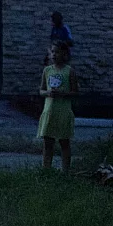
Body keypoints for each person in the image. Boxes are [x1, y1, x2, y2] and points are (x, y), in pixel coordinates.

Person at [38, 42, 78, 172]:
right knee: (47, 143)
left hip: (63, 111)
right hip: (49, 110)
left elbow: (75, 92)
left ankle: (65, 171)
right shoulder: (47, 70)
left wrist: (62, 94)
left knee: (64, 142)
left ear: (64, 54)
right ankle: (46, 170)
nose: (54, 55)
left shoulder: (69, 71)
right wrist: (48, 93)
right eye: (52, 52)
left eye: (57, 52)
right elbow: (41, 90)